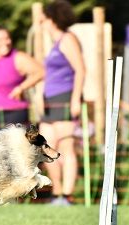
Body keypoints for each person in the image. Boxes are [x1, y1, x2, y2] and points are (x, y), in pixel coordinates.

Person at [40, 0, 86, 206]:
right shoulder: (54, 44)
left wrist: (75, 99)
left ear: (52, 19)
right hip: (49, 101)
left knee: (66, 146)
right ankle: (56, 194)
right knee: (46, 148)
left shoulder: (68, 39)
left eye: (45, 19)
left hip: (66, 97)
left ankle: (67, 195)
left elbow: (80, 69)